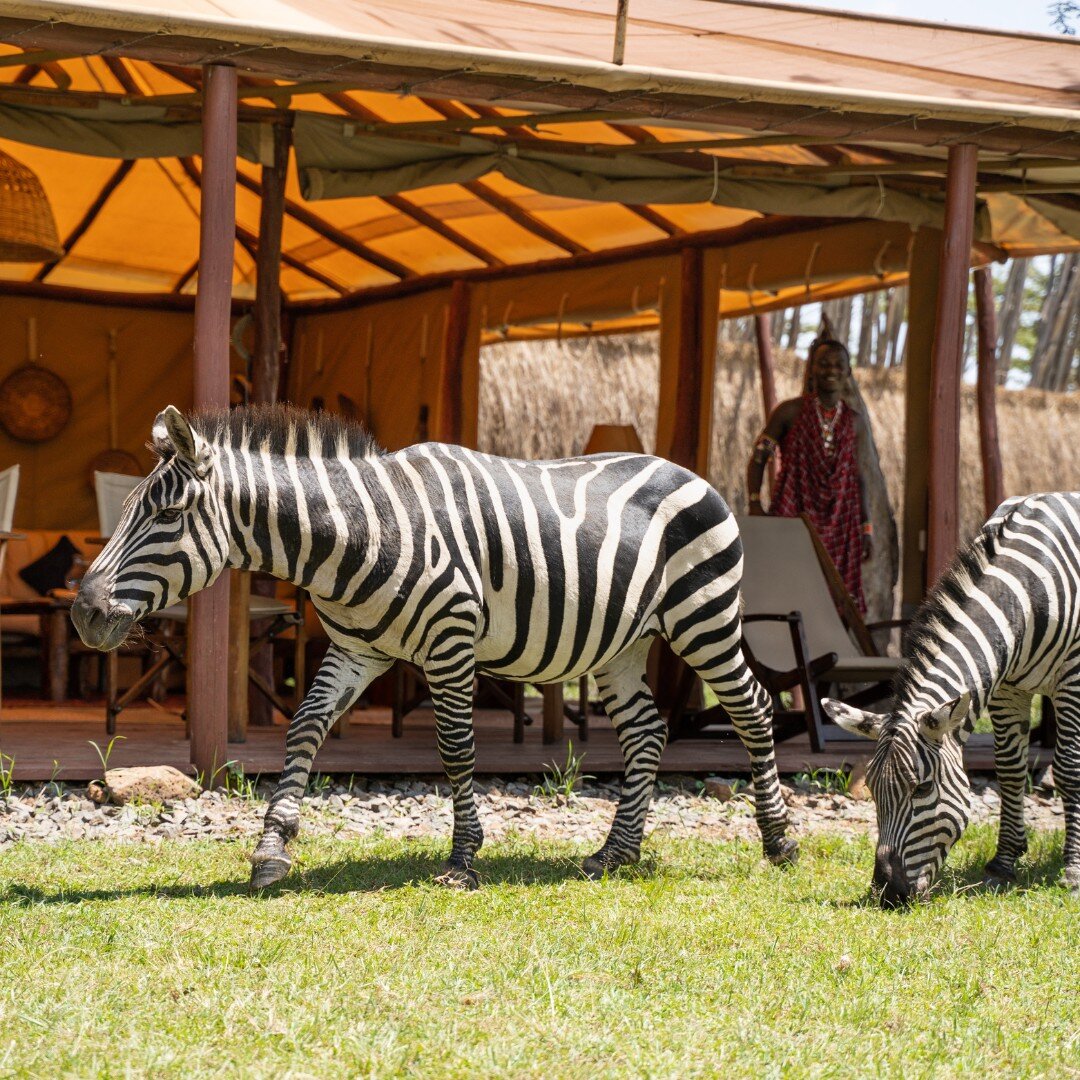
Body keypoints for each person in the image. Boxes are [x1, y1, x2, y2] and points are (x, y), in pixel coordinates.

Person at [746, 336, 872, 613]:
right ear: (812, 369)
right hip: (794, 514)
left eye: (839, 365)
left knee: (836, 602)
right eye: (824, 364)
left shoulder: (856, 422)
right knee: (786, 591)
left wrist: (866, 528)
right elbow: (758, 458)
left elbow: (857, 476)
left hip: (842, 524)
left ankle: (830, 652)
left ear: (848, 372)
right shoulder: (789, 412)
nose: (831, 370)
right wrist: (755, 502)